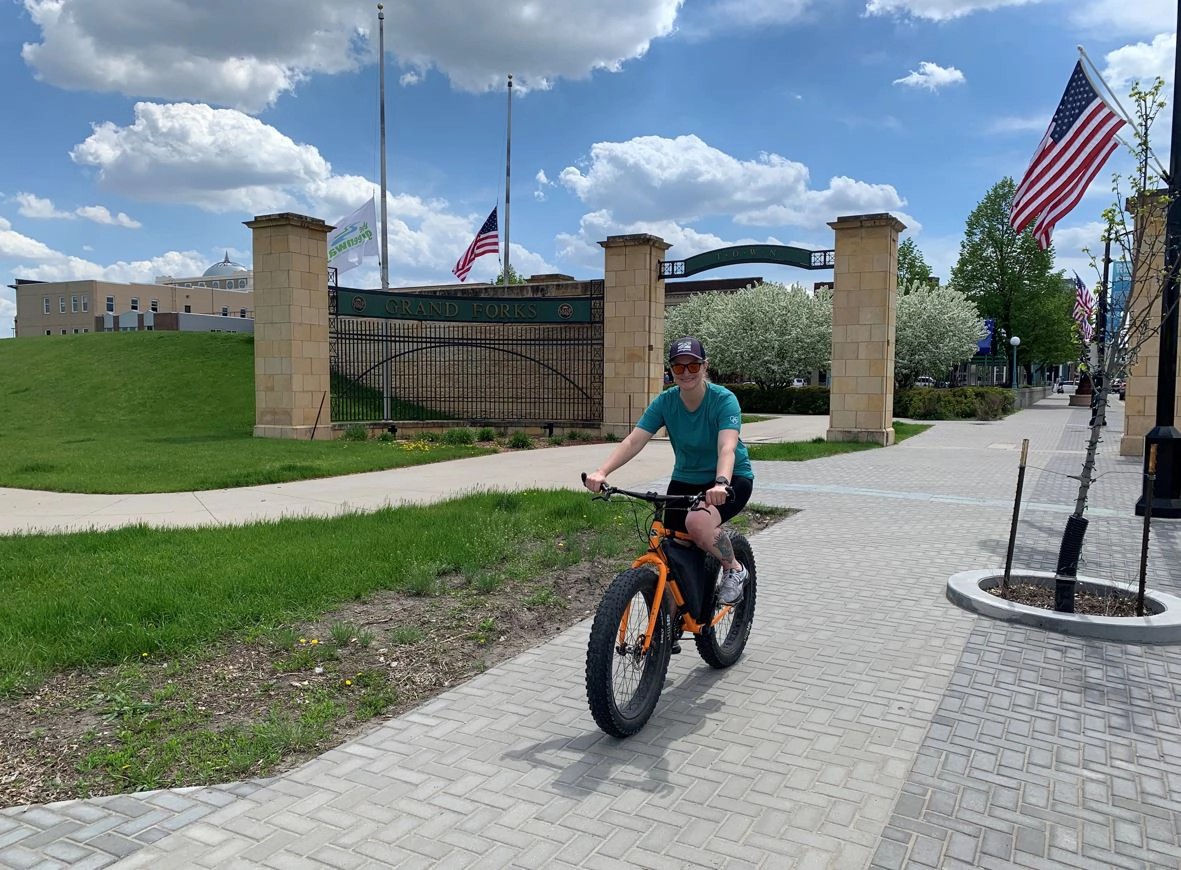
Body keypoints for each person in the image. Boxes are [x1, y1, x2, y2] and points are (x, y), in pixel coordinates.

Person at [584, 336, 755, 605]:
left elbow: (727, 448)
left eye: (693, 366)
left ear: (705, 366)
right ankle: (668, 632)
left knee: (697, 524)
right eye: (678, 367)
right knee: (672, 553)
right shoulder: (666, 402)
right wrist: (602, 472)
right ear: (671, 370)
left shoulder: (723, 400)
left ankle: (734, 568)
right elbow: (634, 440)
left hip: (731, 478)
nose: (686, 373)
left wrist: (721, 483)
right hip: (686, 478)